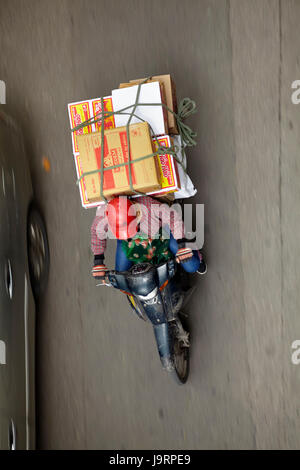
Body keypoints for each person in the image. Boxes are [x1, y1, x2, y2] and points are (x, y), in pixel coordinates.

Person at [91, 195, 207, 281]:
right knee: (121, 279)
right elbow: (96, 231)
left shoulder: (150, 206)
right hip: (127, 242)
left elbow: (173, 218)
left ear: (137, 213)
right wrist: (98, 260)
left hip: (160, 234)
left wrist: (181, 243)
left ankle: (196, 253)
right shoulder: (106, 211)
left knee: (192, 266)